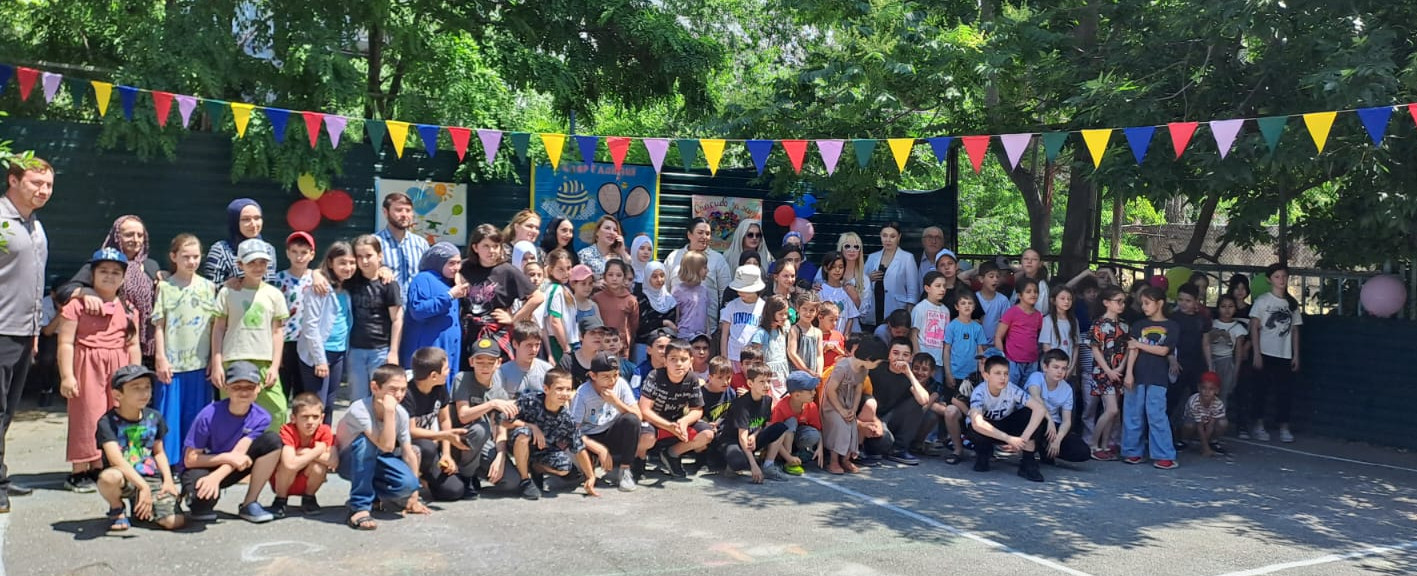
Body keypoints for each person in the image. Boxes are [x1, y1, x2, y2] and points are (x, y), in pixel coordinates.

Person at [60, 248, 141, 492]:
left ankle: (101, 464)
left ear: (123, 278)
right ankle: (79, 470)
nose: (109, 276)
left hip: (118, 369)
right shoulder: (76, 306)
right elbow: (66, 342)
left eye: (116, 272)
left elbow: (133, 344)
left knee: (115, 415)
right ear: (92, 275)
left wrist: (135, 376)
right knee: (86, 416)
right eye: (103, 271)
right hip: (87, 366)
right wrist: (67, 376)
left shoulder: (129, 309)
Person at [0, 158, 52, 510]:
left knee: (7, 412)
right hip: (1, 330)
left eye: (48, 185)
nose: (43, 191)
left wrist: (34, 331)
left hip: (23, 331)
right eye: (36, 183)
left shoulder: (34, 224)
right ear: (13, 180)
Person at [181, 361, 282, 523]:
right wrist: (225, 459)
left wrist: (217, 476)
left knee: (272, 441)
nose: (244, 392)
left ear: (258, 388)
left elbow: (239, 453)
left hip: (233, 465)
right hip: (203, 465)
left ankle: (249, 503)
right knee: (202, 504)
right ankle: (192, 498)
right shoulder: (208, 414)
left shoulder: (262, 417)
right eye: (237, 387)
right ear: (226, 388)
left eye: (250, 387)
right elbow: (190, 459)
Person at [58, 215, 161, 367]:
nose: (136, 239)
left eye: (140, 235)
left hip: (146, 347)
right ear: (116, 236)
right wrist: (85, 292)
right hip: (113, 343)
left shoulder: (151, 266)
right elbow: (64, 292)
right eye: (129, 235)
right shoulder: (102, 264)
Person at [151, 234, 219, 459]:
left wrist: (213, 358)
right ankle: (168, 461)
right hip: (172, 363)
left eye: (196, 257)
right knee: (170, 413)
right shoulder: (165, 287)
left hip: (199, 362)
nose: (191, 262)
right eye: (186, 257)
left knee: (196, 413)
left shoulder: (209, 287)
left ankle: (192, 458)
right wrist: (160, 357)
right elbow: (159, 325)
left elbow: (214, 326)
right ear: (174, 257)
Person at [211, 239, 290, 431]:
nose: (257, 267)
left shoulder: (274, 294)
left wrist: (274, 366)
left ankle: (271, 446)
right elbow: (218, 328)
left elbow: (277, 332)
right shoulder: (227, 292)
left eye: (262, 262)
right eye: (251, 263)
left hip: (264, 361)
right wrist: (216, 363)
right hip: (234, 359)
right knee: (233, 410)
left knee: (278, 410)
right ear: (240, 265)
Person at [336, 364, 427, 530]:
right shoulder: (359, 410)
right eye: (393, 389)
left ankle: (375, 494)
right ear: (375, 387)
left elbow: (408, 452)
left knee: (409, 483)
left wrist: (414, 495)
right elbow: (387, 446)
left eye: (403, 390)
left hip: (378, 459)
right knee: (365, 443)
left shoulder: (401, 414)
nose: (399, 395)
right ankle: (359, 508)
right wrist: (389, 412)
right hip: (350, 462)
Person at [94, 365, 185, 531]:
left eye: (147, 387)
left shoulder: (155, 417)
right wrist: (143, 487)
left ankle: (141, 506)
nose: (144, 393)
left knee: (174, 521)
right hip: (124, 477)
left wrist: (168, 481)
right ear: (117, 394)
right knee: (109, 478)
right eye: (136, 388)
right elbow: (116, 460)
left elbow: (159, 452)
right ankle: (117, 508)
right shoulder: (107, 422)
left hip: (151, 476)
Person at [509, 368, 600, 499]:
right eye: (559, 389)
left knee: (565, 467)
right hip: (517, 444)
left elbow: (578, 447)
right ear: (546, 389)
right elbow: (503, 421)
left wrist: (590, 477)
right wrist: (531, 427)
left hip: (542, 451)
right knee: (524, 433)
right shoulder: (530, 401)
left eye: (568, 389)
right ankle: (525, 480)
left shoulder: (566, 418)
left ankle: (536, 468)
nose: (564, 394)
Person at [460, 223, 544, 361]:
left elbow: (537, 297)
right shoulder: (464, 267)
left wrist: (514, 319)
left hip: (496, 332)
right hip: (468, 332)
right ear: (475, 247)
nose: (491, 251)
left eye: (495, 246)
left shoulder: (507, 271)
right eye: (486, 246)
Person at [451, 338, 518, 499]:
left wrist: (500, 456)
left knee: (512, 482)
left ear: (498, 363)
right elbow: (463, 415)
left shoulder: (500, 392)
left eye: (490, 362)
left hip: (483, 444)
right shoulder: (463, 378)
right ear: (471, 362)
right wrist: (492, 404)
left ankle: (476, 471)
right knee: (481, 429)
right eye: (480, 362)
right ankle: (466, 476)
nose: (485, 367)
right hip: (460, 439)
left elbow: (501, 430)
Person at [1123, 286, 1180, 470]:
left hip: (1158, 377)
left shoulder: (1172, 326)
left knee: (1156, 415)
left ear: (1160, 303)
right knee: (1133, 414)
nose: (1144, 307)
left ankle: (1164, 454)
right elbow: (1132, 350)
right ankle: (1132, 451)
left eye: (1147, 303)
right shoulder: (1139, 325)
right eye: (1142, 303)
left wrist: (1139, 344)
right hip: (1137, 374)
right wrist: (1129, 373)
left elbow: (1163, 350)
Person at [636, 339, 712, 478]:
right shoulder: (655, 376)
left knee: (707, 433)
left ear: (691, 361)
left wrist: (684, 421)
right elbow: (644, 410)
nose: (678, 363)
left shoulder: (692, 379)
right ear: (665, 361)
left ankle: (672, 454)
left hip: (677, 423)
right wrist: (668, 426)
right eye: (673, 359)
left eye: (683, 359)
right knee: (645, 437)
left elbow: (697, 409)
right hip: (654, 424)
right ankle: (638, 459)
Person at [297, 242, 355, 424]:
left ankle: (325, 439)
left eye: (352, 262)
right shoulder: (319, 288)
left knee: (329, 404)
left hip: (338, 352)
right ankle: (311, 440)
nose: (348, 267)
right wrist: (320, 359)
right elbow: (310, 326)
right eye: (342, 262)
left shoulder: (347, 288)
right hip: (318, 354)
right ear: (330, 263)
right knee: (316, 405)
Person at [967, 355, 1049, 482]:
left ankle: (1027, 462)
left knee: (1031, 413)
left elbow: (1040, 409)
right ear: (986, 376)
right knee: (974, 428)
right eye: (997, 373)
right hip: (989, 429)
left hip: (1005, 423)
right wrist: (1009, 439)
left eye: (1006, 373)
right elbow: (977, 423)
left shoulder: (1012, 389)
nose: (1003, 377)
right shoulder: (979, 392)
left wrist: (1022, 440)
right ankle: (983, 454)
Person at [570, 352, 643, 491]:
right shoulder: (583, 393)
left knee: (631, 420)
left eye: (615, 375)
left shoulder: (621, 384)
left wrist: (616, 402)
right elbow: (573, 431)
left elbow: (638, 416)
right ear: (593, 376)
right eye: (606, 377)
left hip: (611, 431)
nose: (612, 381)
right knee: (573, 452)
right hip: (590, 436)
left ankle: (625, 470)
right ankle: (592, 464)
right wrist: (599, 449)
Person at [405, 347, 470, 502]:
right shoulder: (407, 393)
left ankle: (427, 477)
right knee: (427, 447)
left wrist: (446, 454)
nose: (449, 371)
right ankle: (408, 483)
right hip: (404, 448)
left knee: (454, 490)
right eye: (446, 369)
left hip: (430, 447)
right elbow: (411, 431)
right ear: (433, 375)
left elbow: (444, 420)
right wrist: (442, 435)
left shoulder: (439, 388)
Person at [346, 235, 404, 404]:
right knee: (357, 399)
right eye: (359, 256)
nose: (364, 261)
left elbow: (397, 319)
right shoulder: (351, 280)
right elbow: (327, 272)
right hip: (355, 349)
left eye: (369, 255)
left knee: (381, 398)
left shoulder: (388, 283)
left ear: (379, 256)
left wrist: (393, 351)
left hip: (380, 350)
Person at [400, 242, 466, 389]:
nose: (456, 267)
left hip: (448, 351)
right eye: (451, 263)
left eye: (458, 263)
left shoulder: (450, 282)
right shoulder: (423, 279)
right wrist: (449, 296)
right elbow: (418, 310)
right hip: (429, 348)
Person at [1248, 263, 1302, 443]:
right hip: (1265, 352)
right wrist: (1257, 353)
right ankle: (1259, 425)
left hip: (1284, 354)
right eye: (1277, 277)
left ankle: (1284, 426)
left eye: (1284, 276)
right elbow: (1254, 327)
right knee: (1261, 390)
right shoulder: (1262, 301)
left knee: (1284, 392)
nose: (1281, 280)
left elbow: (1295, 330)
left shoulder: (1292, 303)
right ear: (1269, 279)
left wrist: (1295, 355)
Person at [712, 364, 792, 482]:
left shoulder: (767, 400)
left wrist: (754, 435)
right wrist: (754, 466)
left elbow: (762, 423)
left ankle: (768, 465)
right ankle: (736, 462)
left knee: (780, 427)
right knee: (738, 462)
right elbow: (742, 437)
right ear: (750, 383)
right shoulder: (741, 404)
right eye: (762, 382)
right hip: (733, 440)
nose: (766, 385)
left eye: (768, 381)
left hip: (749, 438)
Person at [820, 337, 886, 475]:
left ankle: (846, 459)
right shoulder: (843, 367)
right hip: (833, 404)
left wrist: (853, 409)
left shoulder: (863, 370)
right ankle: (833, 461)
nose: (877, 365)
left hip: (848, 403)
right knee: (840, 425)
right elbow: (830, 391)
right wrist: (841, 410)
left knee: (852, 425)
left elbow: (858, 390)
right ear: (869, 358)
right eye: (877, 362)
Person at [863, 339, 930, 465]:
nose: (900, 358)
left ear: (910, 358)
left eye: (905, 355)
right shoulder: (875, 367)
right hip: (870, 417)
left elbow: (924, 400)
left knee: (917, 403)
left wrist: (909, 374)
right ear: (888, 354)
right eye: (895, 353)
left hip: (890, 419)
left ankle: (898, 449)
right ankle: (867, 449)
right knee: (884, 441)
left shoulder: (908, 376)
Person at [271, 392, 336, 517]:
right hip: (283, 481)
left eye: (315, 417)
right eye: (305, 417)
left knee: (319, 467)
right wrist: (318, 450)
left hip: (307, 479)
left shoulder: (324, 430)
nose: (310, 422)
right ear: (293, 418)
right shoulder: (288, 430)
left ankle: (309, 498)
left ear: (322, 418)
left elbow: (334, 461)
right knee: (286, 466)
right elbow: (290, 464)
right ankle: (280, 500)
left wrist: (303, 452)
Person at [664, 218, 733, 330]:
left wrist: (722, 324)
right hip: (677, 330)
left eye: (708, 234)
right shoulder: (673, 258)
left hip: (707, 331)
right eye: (700, 233)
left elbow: (725, 294)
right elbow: (665, 291)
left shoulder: (718, 260)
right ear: (689, 235)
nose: (704, 237)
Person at [1025, 350, 1091, 465]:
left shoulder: (1067, 389)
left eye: (1063, 368)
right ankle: (1030, 455)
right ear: (1045, 367)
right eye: (1055, 367)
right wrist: (1049, 419)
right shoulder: (1036, 377)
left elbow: (1066, 421)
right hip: (1033, 420)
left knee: (1083, 451)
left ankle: (1046, 449)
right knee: (1034, 419)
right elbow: (1035, 397)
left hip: (1053, 427)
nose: (1060, 371)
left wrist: (1058, 440)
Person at [1088, 287, 1129, 461]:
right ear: (1106, 302)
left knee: (1112, 411)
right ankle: (1093, 445)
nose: (1122, 305)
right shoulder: (1098, 324)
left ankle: (1105, 445)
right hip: (1102, 372)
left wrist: (1121, 368)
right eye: (1118, 301)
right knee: (1112, 409)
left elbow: (1129, 349)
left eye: (1123, 301)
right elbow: (1095, 349)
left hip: (1118, 372)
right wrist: (1108, 370)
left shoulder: (1125, 325)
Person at [273, 232, 316, 401]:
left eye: (304, 252)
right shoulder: (278, 279)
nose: (299, 257)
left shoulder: (317, 279)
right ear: (287, 253)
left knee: (304, 391)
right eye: (295, 252)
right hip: (284, 341)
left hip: (307, 342)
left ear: (312, 254)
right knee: (281, 388)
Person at [201, 198, 278, 285]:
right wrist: (229, 286)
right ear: (235, 222)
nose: (253, 224)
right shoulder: (220, 250)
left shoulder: (268, 249)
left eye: (257, 218)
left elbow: (271, 283)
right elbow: (211, 287)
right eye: (246, 219)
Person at [1171, 283, 1210, 441]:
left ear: (1196, 301)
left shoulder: (1202, 319)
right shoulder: (1173, 318)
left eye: (1188, 300)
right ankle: (1170, 434)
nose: (1183, 304)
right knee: (1173, 399)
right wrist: (1172, 360)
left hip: (1197, 365)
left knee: (1198, 399)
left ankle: (1196, 434)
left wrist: (1210, 366)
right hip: (1178, 365)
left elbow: (1206, 343)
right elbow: (1169, 342)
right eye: (1180, 300)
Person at [767, 371, 824, 476]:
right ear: (797, 395)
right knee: (791, 421)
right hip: (781, 444)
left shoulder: (811, 406)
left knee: (813, 434)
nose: (814, 393)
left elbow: (818, 429)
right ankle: (787, 460)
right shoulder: (781, 407)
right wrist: (788, 457)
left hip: (797, 440)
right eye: (810, 391)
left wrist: (820, 448)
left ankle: (796, 455)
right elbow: (773, 437)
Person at [374, 192, 431, 296]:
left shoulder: (421, 243)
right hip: (386, 303)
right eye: (398, 210)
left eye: (408, 210)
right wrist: (378, 270)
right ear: (385, 212)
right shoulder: (374, 242)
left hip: (416, 303)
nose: (404, 215)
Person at [865, 222, 917, 329]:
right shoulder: (872, 257)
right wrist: (868, 278)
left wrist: (908, 315)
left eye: (892, 236)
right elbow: (861, 282)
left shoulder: (907, 258)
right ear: (880, 236)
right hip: (874, 308)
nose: (888, 240)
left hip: (896, 309)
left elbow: (913, 291)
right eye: (884, 236)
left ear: (899, 237)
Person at [997, 278, 1044, 388]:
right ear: (1019, 295)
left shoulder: (1038, 315)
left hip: (1032, 362)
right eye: (1028, 291)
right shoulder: (1012, 312)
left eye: (1035, 291)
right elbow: (998, 336)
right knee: (1009, 391)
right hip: (1013, 361)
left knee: (1028, 393)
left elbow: (1038, 337)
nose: (1033, 294)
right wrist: (1002, 358)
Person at [720, 265, 766, 372]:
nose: (740, 292)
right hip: (733, 356)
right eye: (738, 289)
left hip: (755, 359)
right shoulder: (732, 305)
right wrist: (724, 356)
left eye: (744, 290)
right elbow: (724, 334)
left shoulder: (764, 307)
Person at [1209, 294, 1249, 416]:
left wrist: (1235, 370)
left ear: (1235, 308)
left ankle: (1219, 418)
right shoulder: (1211, 324)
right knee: (1207, 391)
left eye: (1230, 306)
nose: (1227, 310)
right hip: (1210, 360)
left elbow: (1238, 351)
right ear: (1218, 308)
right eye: (1223, 306)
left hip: (1226, 361)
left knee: (1223, 393)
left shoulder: (1238, 328)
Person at [942, 291, 985, 393]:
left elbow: (980, 351)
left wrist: (982, 372)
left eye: (970, 303)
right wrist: (948, 374)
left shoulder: (978, 328)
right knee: (955, 400)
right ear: (957, 307)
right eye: (963, 303)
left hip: (973, 374)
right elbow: (946, 350)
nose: (967, 306)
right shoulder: (951, 326)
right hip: (955, 373)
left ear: (974, 307)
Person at [636, 261, 679, 363]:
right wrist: (664, 322)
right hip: (643, 345)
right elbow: (642, 327)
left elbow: (673, 327)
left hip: (665, 347)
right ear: (647, 278)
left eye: (662, 275)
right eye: (654, 276)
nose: (659, 280)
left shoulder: (669, 299)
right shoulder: (641, 299)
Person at [594, 260, 640, 354]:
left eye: (619, 275)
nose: (614, 279)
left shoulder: (631, 300)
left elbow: (633, 326)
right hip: (600, 347)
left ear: (624, 278)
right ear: (604, 276)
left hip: (621, 347)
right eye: (610, 275)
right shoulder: (597, 298)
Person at [912, 271, 951, 380]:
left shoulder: (946, 310)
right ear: (927, 288)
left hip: (938, 362)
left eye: (944, 286)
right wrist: (918, 357)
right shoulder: (920, 308)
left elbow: (946, 340)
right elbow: (913, 335)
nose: (942, 289)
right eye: (938, 286)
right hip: (922, 362)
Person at [541, 249, 578, 362]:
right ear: (551, 270)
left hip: (571, 342)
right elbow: (555, 321)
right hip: (559, 344)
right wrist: (565, 347)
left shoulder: (565, 288)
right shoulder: (555, 290)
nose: (566, 273)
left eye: (568, 268)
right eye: (561, 269)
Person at [752, 295, 792, 397]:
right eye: (781, 314)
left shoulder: (783, 329)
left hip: (783, 371)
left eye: (786, 313)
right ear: (771, 313)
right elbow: (756, 357)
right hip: (769, 373)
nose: (784, 317)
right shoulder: (761, 333)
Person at [500, 321, 554, 395]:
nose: (534, 349)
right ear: (515, 344)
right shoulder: (503, 372)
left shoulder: (547, 370)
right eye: (529, 345)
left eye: (537, 345)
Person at [1039, 286, 1080, 378]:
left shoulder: (1074, 321)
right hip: (1053, 369)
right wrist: (1057, 367)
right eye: (1062, 298)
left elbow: (1076, 346)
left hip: (1069, 368)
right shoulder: (1047, 320)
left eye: (1069, 299)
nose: (1066, 301)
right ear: (1053, 301)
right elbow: (1046, 347)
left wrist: (1071, 368)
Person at [1184, 372, 1229, 457]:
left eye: (1211, 389)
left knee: (1223, 423)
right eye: (1204, 388)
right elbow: (1199, 425)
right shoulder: (1194, 401)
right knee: (1189, 425)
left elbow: (1211, 425)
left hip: (1207, 424)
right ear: (1199, 388)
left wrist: (1204, 446)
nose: (1207, 392)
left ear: (1217, 391)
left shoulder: (1218, 404)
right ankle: (1185, 440)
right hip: (1195, 424)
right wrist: (1205, 448)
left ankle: (1212, 441)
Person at [817, 251, 861, 335]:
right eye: (833, 267)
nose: (837, 270)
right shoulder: (820, 290)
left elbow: (851, 315)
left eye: (841, 267)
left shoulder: (846, 290)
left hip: (841, 337)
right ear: (826, 268)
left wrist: (846, 335)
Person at [672, 250, 710, 339]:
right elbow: (676, 316)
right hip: (683, 336)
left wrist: (708, 333)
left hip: (700, 335)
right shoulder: (678, 290)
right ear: (694, 269)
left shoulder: (704, 290)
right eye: (704, 268)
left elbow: (705, 314)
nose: (707, 270)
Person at [787, 290, 824, 378]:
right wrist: (807, 371)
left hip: (813, 376)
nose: (808, 313)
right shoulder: (795, 330)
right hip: (797, 375)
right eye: (804, 309)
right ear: (798, 308)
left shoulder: (818, 332)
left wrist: (819, 373)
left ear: (816, 312)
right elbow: (792, 353)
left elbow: (819, 355)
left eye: (812, 310)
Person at [975, 261, 1010, 347]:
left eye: (997, 277)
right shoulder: (973, 298)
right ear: (981, 279)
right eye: (991, 276)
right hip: (975, 345)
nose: (995, 279)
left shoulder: (1003, 300)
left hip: (995, 346)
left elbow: (1007, 324)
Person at [1014, 248, 1051, 316]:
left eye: (1034, 259)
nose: (1029, 261)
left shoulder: (1041, 285)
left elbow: (1041, 312)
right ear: (1021, 262)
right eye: (1026, 258)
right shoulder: (1019, 281)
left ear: (1040, 263)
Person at [818, 302, 848, 370]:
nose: (834, 323)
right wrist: (823, 349)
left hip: (836, 372)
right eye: (831, 320)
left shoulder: (838, 335)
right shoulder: (813, 335)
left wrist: (839, 351)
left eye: (836, 320)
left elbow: (846, 356)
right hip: (819, 373)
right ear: (820, 317)